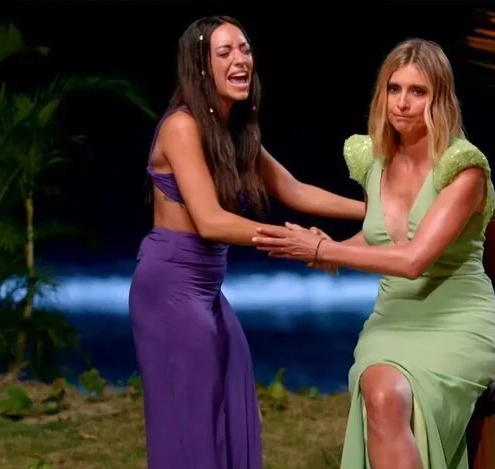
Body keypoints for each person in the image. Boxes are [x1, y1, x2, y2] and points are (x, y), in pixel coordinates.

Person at [252, 38, 495, 469]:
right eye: (394, 88)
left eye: (418, 91)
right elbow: (378, 239)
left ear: (440, 98)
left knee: (391, 397)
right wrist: (328, 252)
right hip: (393, 319)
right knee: (382, 392)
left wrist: (326, 248)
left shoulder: (463, 168)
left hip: (458, 322)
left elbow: (413, 260)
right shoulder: (374, 160)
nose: (402, 103)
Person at [127, 15, 364, 469]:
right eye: (225, 52)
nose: (241, 60)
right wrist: (293, 240)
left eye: (245, 49)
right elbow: (210, 222)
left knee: (236, 414)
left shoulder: (233, 131)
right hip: (170, 289)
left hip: (208, 291)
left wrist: (377, 211)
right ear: (200, 66)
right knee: (195, 425)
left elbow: (295, 190)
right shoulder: (182, 127)